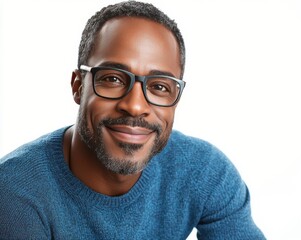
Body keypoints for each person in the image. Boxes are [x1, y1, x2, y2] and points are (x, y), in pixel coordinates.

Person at [0, 1, 265, 239]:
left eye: (159, 86)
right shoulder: (15, 194)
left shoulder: (205, 172)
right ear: (78, 86)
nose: (135, 106)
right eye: (113, 79)